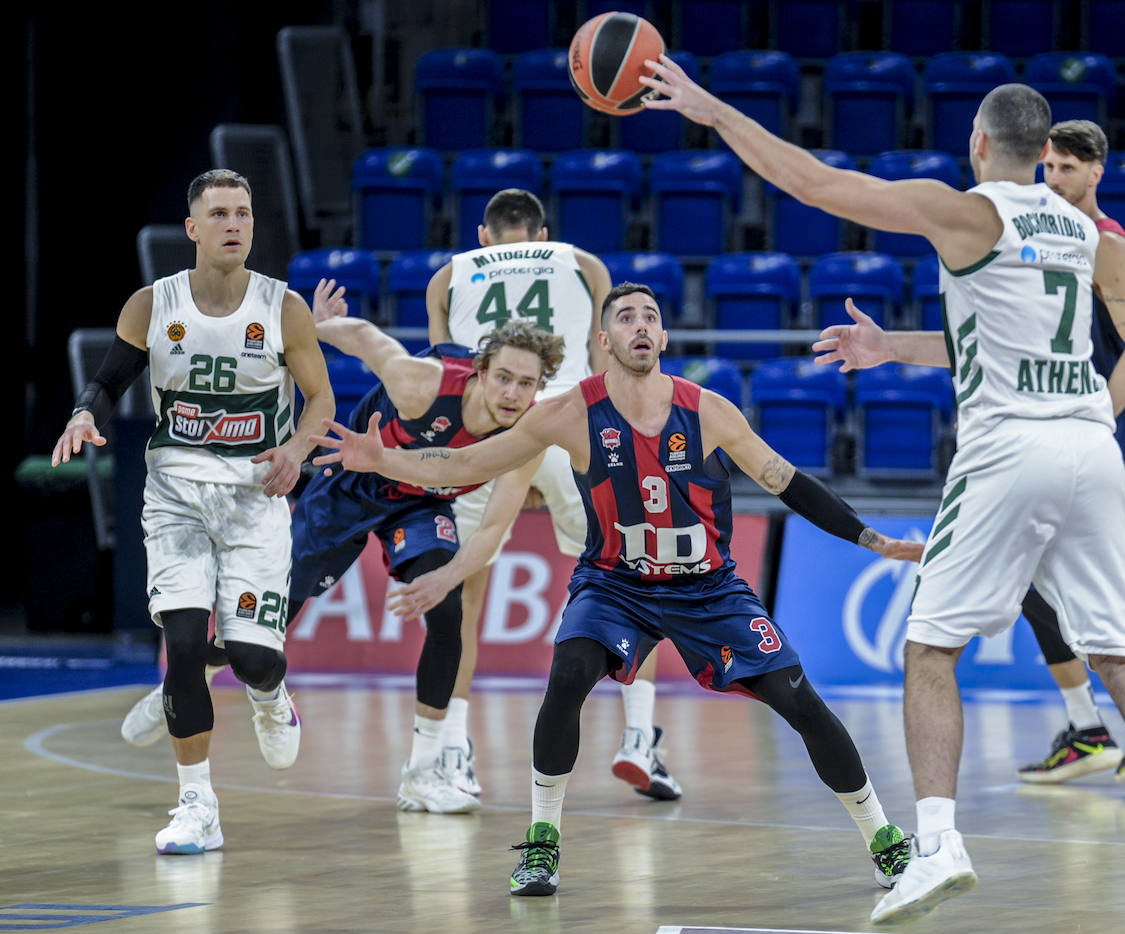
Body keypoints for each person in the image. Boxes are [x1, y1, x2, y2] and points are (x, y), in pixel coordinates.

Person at [638, 63, 1125, 932]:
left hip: (1010, 447)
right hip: (1091, 445)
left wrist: (710, 109)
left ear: (980, 142)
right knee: (1122, 656)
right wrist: (893, 347)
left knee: (928, 648)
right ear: (1044, 151)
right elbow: (1037, 339)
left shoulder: (969, 211)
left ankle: (937, 847)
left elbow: (813, 183)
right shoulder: (1093, 233)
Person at [311, 283, 927, 899]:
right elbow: (467, 464)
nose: (641, 326)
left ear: (663, 337)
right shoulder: (569, 412)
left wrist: (871, 539)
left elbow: (788, 482)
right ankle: (542, 843)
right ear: (604, 340)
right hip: (614, 583)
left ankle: (883, 838)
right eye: (626, 317)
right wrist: (386, 460)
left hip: (707, 588)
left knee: (800, 701)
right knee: (568, 674)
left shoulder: (708, 410)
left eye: (651, 317)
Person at [120, 293, 566, 815]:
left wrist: (445, 579)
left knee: (448, 615)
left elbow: (492, 530)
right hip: (351, 484)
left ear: (540, 387)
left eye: (526, 383)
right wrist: (317, 327)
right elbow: (365, 338)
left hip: (422, 505)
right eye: (504, 377)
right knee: (264, 626)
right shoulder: (421, 383)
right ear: (481, 372)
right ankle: (193, 677)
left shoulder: (527, 435)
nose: (513, 393)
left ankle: (423, 772)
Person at [51, 169, 334, 855]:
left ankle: (270, 693)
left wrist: (296, 448)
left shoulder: (284, 307)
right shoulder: (154, 303)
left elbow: (321, 400)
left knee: (253, 657)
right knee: (181, 644)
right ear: (193, 228)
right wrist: (85, 414)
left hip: (255, 497)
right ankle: (197, 805)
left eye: (244, 213)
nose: (234, 224)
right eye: (220, 213)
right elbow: (109, 380)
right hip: (175, 493)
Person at [426, 188, 682, 800]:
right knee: (637, 579)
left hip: (490, 431)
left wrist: (514, 461)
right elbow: (608, 360)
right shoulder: (583, 264)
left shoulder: (448, 276)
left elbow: (446, 374)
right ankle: (639, 738)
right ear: (544, 236)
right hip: (572, 427)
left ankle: (453, 753)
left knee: (464, 597)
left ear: (483, 236)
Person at [1017, 119, 1125, 785]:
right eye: (1048, 167)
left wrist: (1095, 420)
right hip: (1054, 424)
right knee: (1033, 579)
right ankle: (1087, 726)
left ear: (1097, 172)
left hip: (1095, 425)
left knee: (1077, 580)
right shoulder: (1044, 237)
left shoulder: (1106, 241)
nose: (1054, 178)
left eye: (1068, 168)